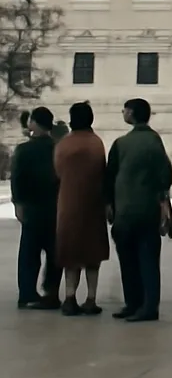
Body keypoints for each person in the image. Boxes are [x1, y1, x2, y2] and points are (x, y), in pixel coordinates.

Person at [106, 98, 172, 323]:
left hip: (124, 210)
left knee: (127, 260)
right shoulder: (155, 141)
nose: (123, 112)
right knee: (148, 260)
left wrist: (109, 205)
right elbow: (166, 175)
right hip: (147, 210)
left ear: (132, 113)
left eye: (125, 109)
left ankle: (133, 302)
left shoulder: (120, 144)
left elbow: (109, 176)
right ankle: (149, 305)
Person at [54, 101, 109, 315]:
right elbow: (101, 172)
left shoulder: (64, 144)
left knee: (70, 254)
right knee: (92, 255)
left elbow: (57, 171)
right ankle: (91, 299)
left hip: (68, 202)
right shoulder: (96, 143)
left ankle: (69, 297)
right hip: (93, 204)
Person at [11, 106, 61, 310]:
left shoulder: (24, 149)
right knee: (54, 253)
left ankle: (27, 293)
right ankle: (51, 292)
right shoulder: (58, 147)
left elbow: (17, 178)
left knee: (29, 254)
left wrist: (18, 203)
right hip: (54, 207)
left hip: (31, 207)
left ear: (35, 123)